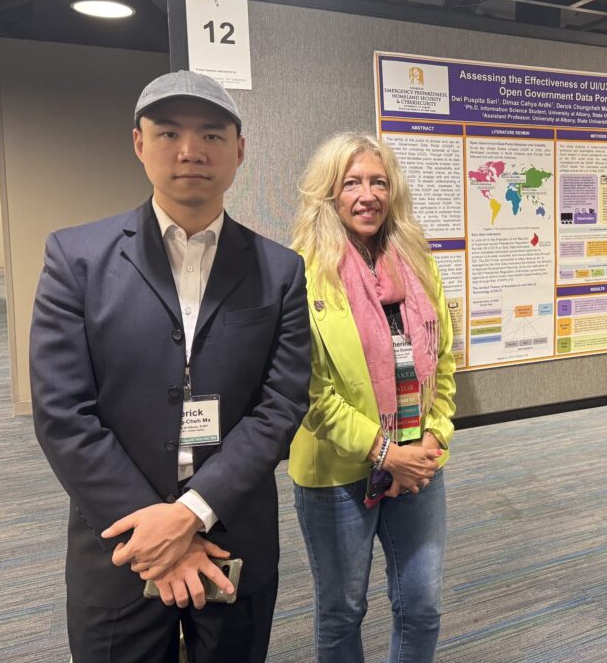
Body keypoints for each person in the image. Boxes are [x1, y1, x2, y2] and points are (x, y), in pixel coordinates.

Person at [30, 70, 311, 662]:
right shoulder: (75, 259)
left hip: (232, 533)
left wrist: (192, 512)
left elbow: (280, 405)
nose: (190, 151)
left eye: (211, 135)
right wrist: (154, 530)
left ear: (239, 151)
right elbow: (63, 412)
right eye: (168, 133)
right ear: (138, 143)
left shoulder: (280, 270)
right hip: (120, 544)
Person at [288, 133, 457, 663]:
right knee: (343, 610)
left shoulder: (417, 263)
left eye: (378, 182)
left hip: (419, 465)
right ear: (329, 194)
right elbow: (310, 392)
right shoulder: (303, 272)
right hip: (340, 472)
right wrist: (386, 453)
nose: (367, 195)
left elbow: (445, 362)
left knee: (422, 606)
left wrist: (435, 433)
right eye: (352, 182)